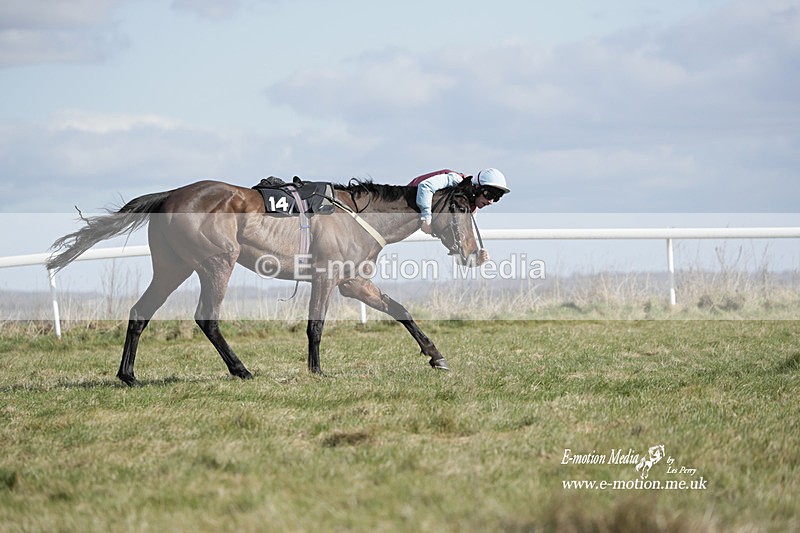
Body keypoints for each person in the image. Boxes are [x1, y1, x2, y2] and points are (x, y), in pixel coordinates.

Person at [408, 168, 509, 263]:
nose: (491, 202)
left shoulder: (470, 210)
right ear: (477, 187)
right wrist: (426, 217)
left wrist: (477, 258)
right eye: (489, 195)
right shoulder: (456, 180)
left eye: (496, 198)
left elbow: (462, 241)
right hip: (407, 200)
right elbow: (425, 186)